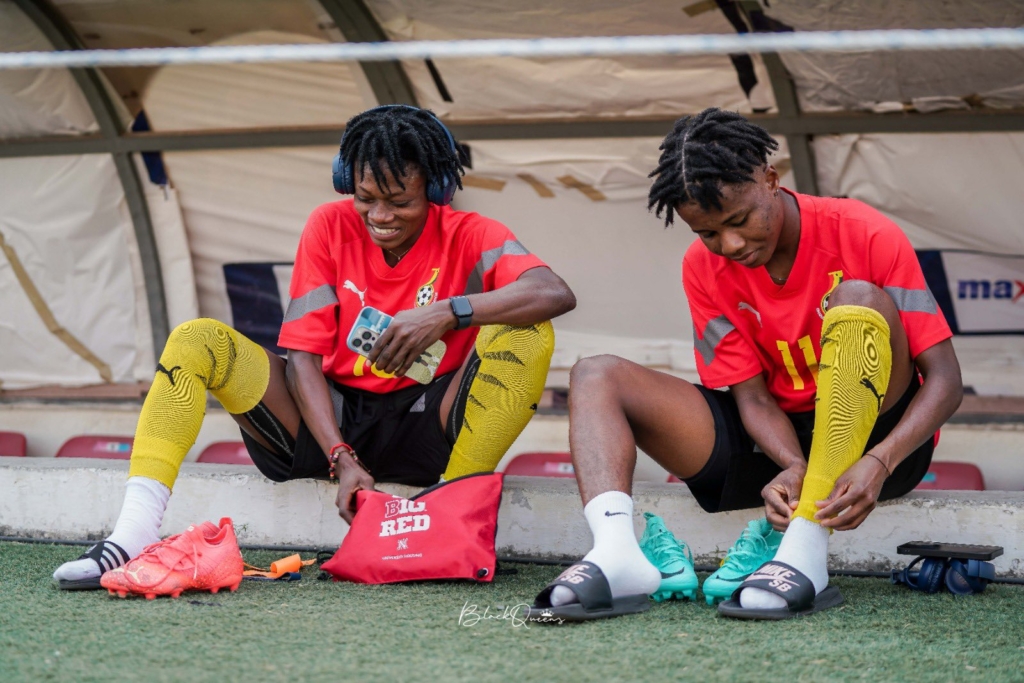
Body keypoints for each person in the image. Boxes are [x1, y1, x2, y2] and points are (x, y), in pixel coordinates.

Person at [54, 105, 576, 590]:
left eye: (401, 202)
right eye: (366, 198)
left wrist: (448, 311)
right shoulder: (329, 223)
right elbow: (303, 355)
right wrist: (339, 454)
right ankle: (130, 536)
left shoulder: (472, 233)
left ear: (436, 189)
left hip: (428, 425)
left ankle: (448, 522)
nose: (380, 216)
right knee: (196, 340)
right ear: (346, 182)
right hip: (328, 423)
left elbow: (554, 293)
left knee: (529, 328)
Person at [533, 108, 961, 620]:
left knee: (859, 297)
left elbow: (946, 381)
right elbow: (752, 396)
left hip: (876, 449)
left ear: (771, 179)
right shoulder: (702, 268)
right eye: (708, 233)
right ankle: (617, 555)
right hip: (777, 446)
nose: (729, 245)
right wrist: (792, 465)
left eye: (738, 220)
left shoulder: (863, 231)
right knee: (595, 373)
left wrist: (881, 460)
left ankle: (805, 553)